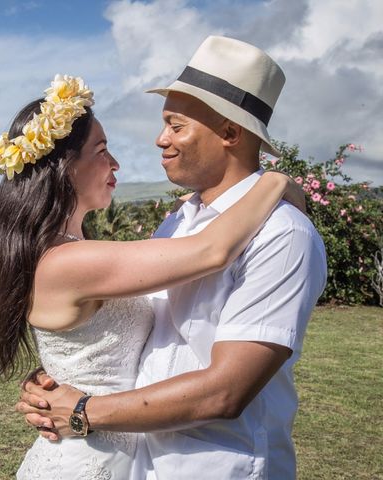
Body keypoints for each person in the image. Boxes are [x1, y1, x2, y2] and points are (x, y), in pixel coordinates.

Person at [17, 37, 327, 479]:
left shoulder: (282, 233)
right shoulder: (180, 222)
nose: (160, 139)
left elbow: (225, 393)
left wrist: (85, 407)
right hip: (141, 460)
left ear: (230, 134)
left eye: (176, 125)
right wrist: (63, 376)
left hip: (218, 465)